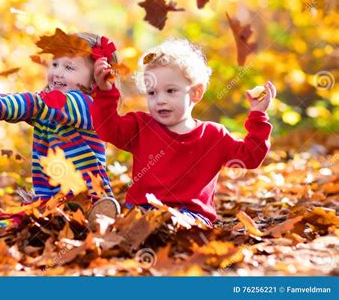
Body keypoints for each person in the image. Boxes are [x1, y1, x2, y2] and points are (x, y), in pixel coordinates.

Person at [0, 31, 122, 230]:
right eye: (55, 64)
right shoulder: (46, 107)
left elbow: (36, 104)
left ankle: (99, 222)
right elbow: (20, 106)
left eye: (69, 67)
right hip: (49, 201)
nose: (57, 72)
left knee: (46, 222)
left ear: (93, 82)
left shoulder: (88, 106)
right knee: (22, 221)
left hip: (86, 198)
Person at [90, 38, 276, 227]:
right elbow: (108, 129)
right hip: (143, 208)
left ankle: (149, 230)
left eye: (171, 91)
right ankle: (110, 226)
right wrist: (105, 92)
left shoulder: (213, 135)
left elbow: (251, 156)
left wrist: (258, 115)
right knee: (136, 221)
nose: (160, 100)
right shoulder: (141, 125)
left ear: (195, 93)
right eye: (152, 93)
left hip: (190, 215)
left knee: (176, 224)